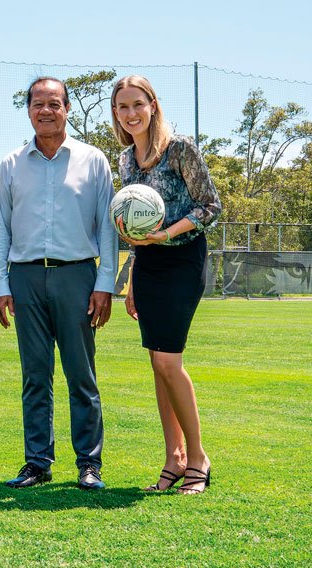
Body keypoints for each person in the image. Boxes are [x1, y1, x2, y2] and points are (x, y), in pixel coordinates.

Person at [0, 77, 117, 491]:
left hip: (78, 275)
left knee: (81, 374)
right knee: (35, 375)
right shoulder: (11, 163)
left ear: (67, 109)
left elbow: (108, 228)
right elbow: (2, 229)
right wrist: (1, 283)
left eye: (54, 104)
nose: (46, 110)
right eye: (38, 103)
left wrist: (105, 284)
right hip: (25, 277)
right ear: (28, 109)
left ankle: (89, 463)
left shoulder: (93, 159)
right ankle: (37, 461)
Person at [110, 75, 221, 494]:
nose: (131, 113)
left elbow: (211, 206)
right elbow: (135, 226)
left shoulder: (180, 150)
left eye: (138, 104)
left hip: (182, 260)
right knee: (157, 366)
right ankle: (172, 458)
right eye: (123, 107)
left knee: (169, 363)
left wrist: (169, 232)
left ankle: (197, 458)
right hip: (149, 265)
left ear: (153, 105)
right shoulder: (125, 160)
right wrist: (133, 279)